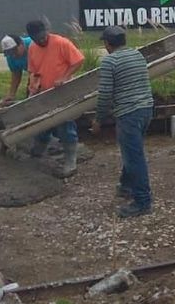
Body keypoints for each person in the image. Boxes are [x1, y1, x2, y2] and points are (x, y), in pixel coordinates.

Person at [90, 25, 155, 218]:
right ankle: (126, 186)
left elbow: (105, 96)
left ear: (108, 44)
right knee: (132, 151)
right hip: (146, 109)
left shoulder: (109, 62)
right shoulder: (137, 55)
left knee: (134, 158)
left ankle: (142, 202)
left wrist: (98, 119)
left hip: (128, 113)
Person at [25, 19, 85, 175]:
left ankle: (71, 160)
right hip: (44, 93)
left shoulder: (61, 43)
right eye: (38, 39)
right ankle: (37, 154)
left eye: (44, 36)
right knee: (42, 125)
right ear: (31, 38)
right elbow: (34, 71)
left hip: (62, 93)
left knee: (65, 125)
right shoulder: (32, 48)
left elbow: (78, 61)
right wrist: (33, 87)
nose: (42, 40)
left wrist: (65, 77)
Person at [0, 33, 33, 106]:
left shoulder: (33, 44)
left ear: (21, 44)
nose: (13, 55)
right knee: (30, 99)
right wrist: (11, 94)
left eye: (14, 51)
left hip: (47, 69)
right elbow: (16, 74)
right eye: (9, 53)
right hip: (33, 74)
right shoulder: (10, 57)